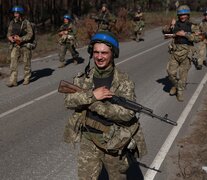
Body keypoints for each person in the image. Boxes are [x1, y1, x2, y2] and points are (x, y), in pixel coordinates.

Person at [63, 31, 147, 179]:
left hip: (114, 142)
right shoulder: (84, 78)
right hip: (88, 138)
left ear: (113, 54)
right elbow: (68, 100)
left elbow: (127, 114)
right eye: (96, 52)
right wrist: (92, 96)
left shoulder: (124, 81)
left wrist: (96, 105)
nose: (99, 57)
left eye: (104, 52)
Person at [163, 5, 201, 102]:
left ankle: (180, 92)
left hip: (187, 52)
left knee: (183, 74)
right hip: (175, 51)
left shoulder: (192, 26)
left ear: (188, 15)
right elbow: (165, 32)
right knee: (170, 72)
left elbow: (198, 38)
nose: (182, 16)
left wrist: (185, 34)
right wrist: (171, 26)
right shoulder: (175, 24)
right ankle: (176, 85)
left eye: (184, 14)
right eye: (180, 15)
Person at [6, 5, 34, 87]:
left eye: (17, 13)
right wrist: (10, 37)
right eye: (14, 13)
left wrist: (21, 38)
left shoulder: (26, 23)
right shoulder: (12, 22)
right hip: (15, 45)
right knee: (13, 63)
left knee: (26, 62)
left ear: (21, 14)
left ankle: (27, 78)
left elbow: (30, 34)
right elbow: (9, 32)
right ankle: (13, 81)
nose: (15, 14)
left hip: (25, 45)